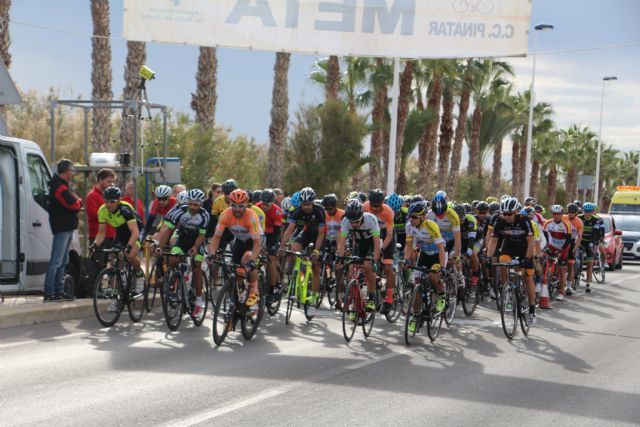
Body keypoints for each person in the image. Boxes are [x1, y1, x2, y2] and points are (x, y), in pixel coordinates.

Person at [156, 189, 209, 316]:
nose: (192, 207)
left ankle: (198, 300)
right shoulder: (179, 211)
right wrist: (160, 247)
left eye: (195, 204)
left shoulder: (205, 215)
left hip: (196, 241)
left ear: (201, 204)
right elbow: (167, 230)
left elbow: (201, 236)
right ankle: (179, 281)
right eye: (190, 203)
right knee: (173, 260)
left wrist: (196, 247)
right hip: (183, 239)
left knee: (196, 266)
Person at [91, 186, 145, 311]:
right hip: (121, 232)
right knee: (115, 260)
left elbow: (135, 232)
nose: (109, 204)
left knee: (130, 255)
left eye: (112, 201)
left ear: (119, 200)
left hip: (136, 230)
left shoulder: (125, 209)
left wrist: (129, 247)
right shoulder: (102, 211)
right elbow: (101, 233)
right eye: (107, 201)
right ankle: (117, 298)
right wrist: (94, 245)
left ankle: (139, 275)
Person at [486, 197, 537, 326]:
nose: (507, 217)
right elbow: (493, 241)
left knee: (527, 277)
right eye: (504, 214)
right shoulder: (500, 221)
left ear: (516, 212)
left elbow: (531, 241)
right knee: (502, 261)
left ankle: (532, 310)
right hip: (509, 245)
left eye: (509, 214)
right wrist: (488, 257)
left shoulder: (524, 220)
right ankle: (507, 289)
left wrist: (526, 259)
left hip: (525, 248)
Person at [208, 189, 263, 310]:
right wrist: (211, 254)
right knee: (237, 271)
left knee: (248, 259)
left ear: (246, 205)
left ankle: (254, 290)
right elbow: (216, 237)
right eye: (234, 206)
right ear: (229, 204)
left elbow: (257, 242)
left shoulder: (251, 216)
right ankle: (241, 294)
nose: (237, 209)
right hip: (239, 240)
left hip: (254, 241)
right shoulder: (225, 214)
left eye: (241, 206)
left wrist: (253, 260)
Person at [278, 187, 326, 316]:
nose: (305, 207)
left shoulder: (319, 211)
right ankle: (299, 272)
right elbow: (289, 230)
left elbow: (321, 234)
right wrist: (282, 246)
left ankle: (314, 299)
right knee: (293, 249)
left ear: (312, 202)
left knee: (316, 266)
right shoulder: (298, 211)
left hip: (319, 236)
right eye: (303, 204)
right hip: (307, 233)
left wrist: (316, 250)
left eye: (308, 204)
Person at [43, 159, 82, 302]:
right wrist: (78, 201)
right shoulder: (59, 187)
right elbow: (74, 205)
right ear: (66, 171)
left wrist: (76, 200)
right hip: (62, 228)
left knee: (63, 261)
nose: (72, 174)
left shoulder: (62, 186)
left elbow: (73, 202)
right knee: (56, 261)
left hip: (66, 228)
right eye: (71, 171)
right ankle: (49, 292)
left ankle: (58, 291)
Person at [337, 199, 381, 313]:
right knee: (351, 271)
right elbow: (342, 242)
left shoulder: (371, 219)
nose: (354, 225)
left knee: (367, 266)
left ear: (362, 216)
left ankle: (371, 297)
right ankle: (355, 303)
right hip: (359, 244)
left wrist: (374, 260)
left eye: (356, 221)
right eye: (352, 222)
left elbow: (377, 243)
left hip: (372, 244)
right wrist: (340, 258)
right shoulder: (346, 221)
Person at [86, 168, 116, 243]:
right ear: (100, 180)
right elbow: (92, 215)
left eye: (112, 182)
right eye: (109, 181)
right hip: (97, 236)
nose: (111, 184)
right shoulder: (92, 195)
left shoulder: (109, 196)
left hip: (111, 235)